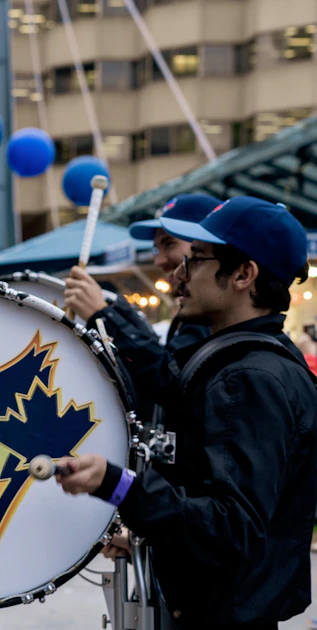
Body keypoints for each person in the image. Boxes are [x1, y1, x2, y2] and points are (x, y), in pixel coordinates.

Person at [56, 197, 317, 629]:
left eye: (195, 260)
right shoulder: (240, 362)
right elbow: (213, 505)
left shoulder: (248, 379)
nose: (178, 274)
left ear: (243, 274)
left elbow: (231, 529)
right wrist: (153, 536)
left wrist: (119, 485)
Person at [64, 193, 220, 421]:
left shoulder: (213, 316)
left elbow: (170, 380)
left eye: (169, 244)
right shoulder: (191, 315)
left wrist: (103, 317)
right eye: (157, 249)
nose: (159, 261)